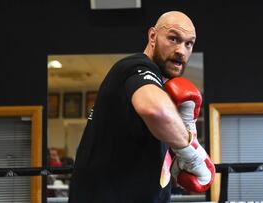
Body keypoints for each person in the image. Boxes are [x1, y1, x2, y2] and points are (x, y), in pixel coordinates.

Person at [68, 11, 213, 203]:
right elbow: (157, 111)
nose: (181, 50)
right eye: (173, 38)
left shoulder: (160, 91)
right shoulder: (136, 67)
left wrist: (180, 152)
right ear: (152, 36)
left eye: (189, 43)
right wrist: (192, 154)